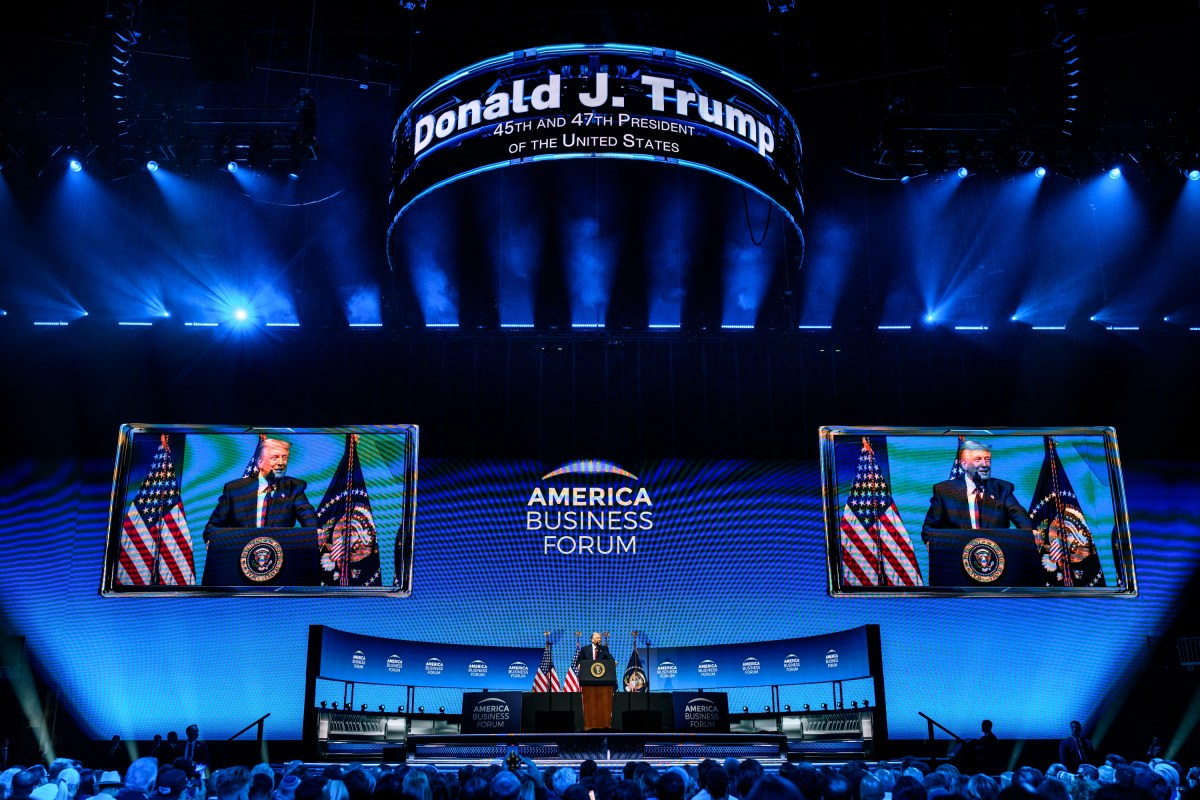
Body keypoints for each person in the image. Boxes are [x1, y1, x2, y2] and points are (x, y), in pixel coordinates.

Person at [203, 438, 318, 542]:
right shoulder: (235, 489)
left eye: (284, 458)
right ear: (260, 463)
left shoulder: (293, 487)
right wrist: (211, 541)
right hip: (240, 555)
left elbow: (308, 517)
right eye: (275, 458)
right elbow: (212, 528)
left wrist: (316, 531)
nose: (281, 463)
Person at [921, 440, 1033, 542]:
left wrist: (1030, 534)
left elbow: (1021, 519)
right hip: (957, 557)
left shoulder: (1002, 489)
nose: (984, 465)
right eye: (978, 459)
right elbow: (929, 530)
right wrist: (934, 546)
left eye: (987, 459)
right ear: (964, 464)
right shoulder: (944, 491)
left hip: (996, 556)